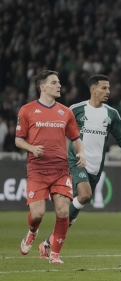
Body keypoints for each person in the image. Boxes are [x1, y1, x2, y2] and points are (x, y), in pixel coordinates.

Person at [38, 75, 121, 258]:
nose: (108, 92)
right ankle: (52, 247)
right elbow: (57, 130)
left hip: (96, 166)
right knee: (86, 195)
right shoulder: (76, 110)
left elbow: (120, 138)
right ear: (93, 89)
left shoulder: (112, 114)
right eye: (104, 88)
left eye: (109, 88)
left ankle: (47, 243)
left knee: (75, 209)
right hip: (77, 160)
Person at [16, 70, 86, 265]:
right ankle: (32, 232)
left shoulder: (66, 112)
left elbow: (75, 138)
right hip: (37, 169)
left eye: (59, 82)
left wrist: (81, 152)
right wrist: (31, 148)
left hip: (60, 169)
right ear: (42, 87)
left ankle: (55, 253)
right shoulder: (27, 110)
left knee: (63, 212)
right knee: (37, 214)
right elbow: (18, 140)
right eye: (54, 82)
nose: (59, 85)